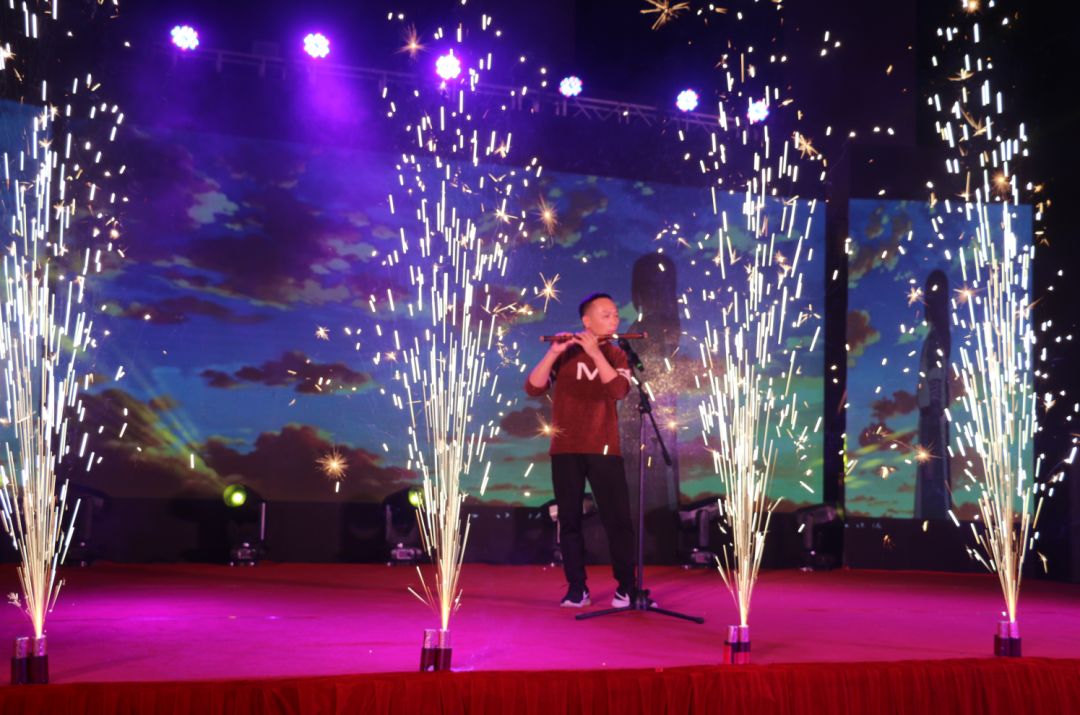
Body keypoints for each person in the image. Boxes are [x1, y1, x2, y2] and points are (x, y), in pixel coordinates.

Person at [526, 293, 637, 608]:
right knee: (569, 520)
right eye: (606, 314)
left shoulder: (616, 354)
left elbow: (618, 390)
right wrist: (552, 353)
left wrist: (595, 353)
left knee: (617, 520)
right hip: (566, 448)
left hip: (604, 447)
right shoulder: (566, 352)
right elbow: (533, 387)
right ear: (586, 321)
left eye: (615, 314)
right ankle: (577, 588)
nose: (614, 319)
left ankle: (626, 588)